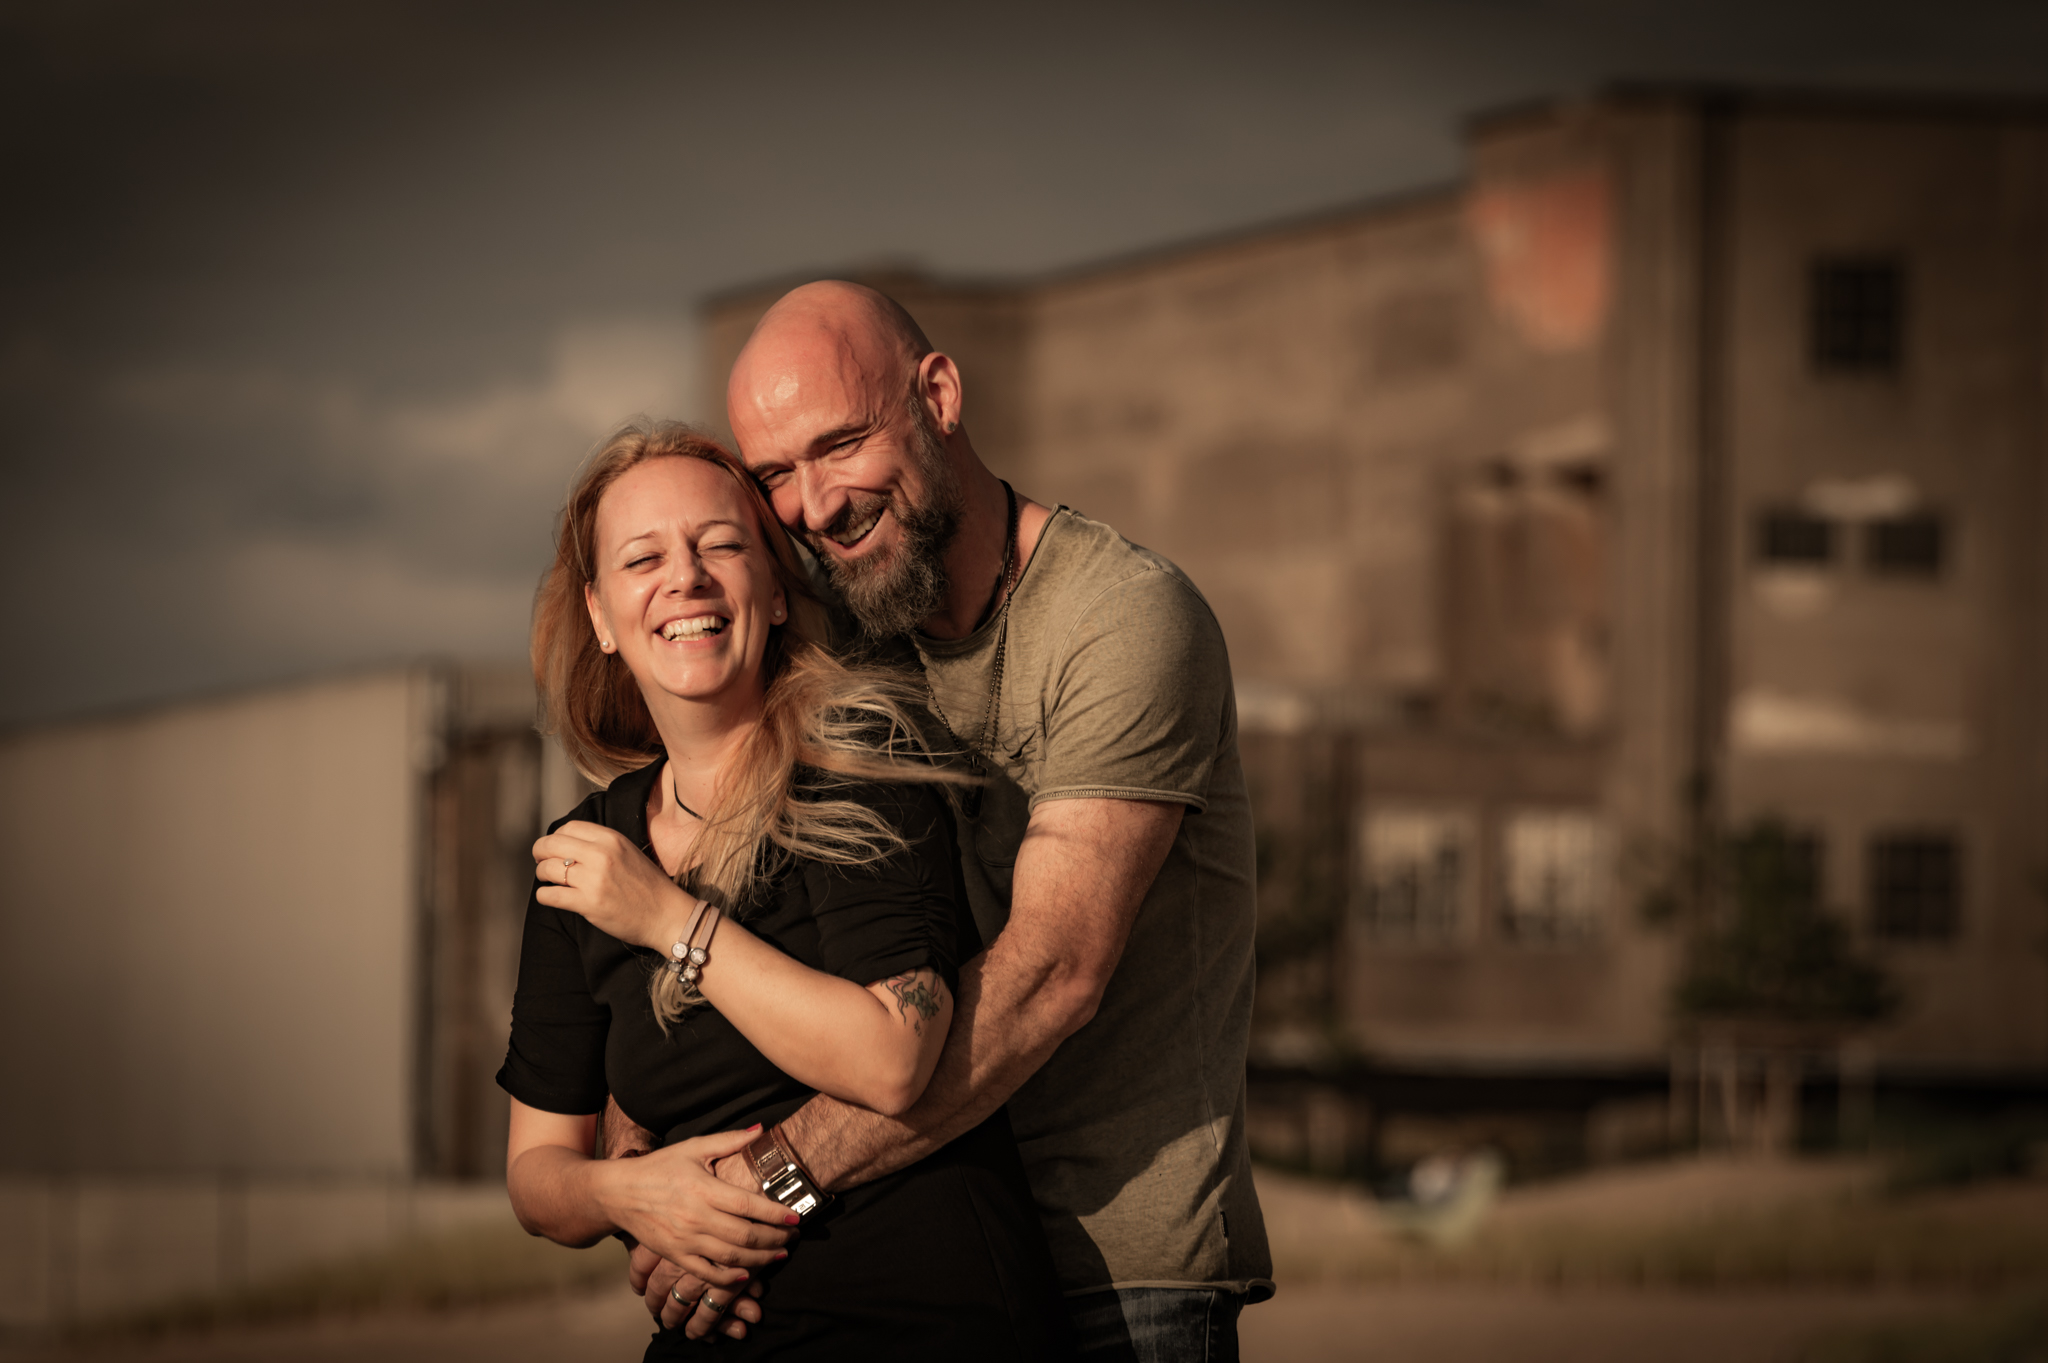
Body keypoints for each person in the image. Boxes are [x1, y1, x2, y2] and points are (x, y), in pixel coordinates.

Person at [625, 281, 1274, 1360]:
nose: (815, 505)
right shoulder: (839, 646)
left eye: (838, 445)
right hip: (926, 1261)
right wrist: (639, 1150)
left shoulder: (1118, 619)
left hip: (1119, 1273)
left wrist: (764, 1185)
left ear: (938, 394)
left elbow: (1048, 977)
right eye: (775, 474)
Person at [496, 423, 1065, 1358]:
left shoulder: (858, 758)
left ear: (772, 586)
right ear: (601, 615)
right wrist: (634, 1198)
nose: (686, 578)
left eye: (721, 545)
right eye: (644, 558)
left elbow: (893, 1059)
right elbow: (536, 1175)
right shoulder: (580, 858)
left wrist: (667, 916)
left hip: (923, 1319)